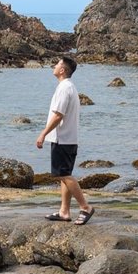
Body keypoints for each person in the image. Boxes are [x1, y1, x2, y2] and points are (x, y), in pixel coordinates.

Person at [36, 55, 95, 225]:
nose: (54, 66)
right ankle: (64, 211)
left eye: (57, 64)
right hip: (68, 138)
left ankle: (85, 207)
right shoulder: (70, 87)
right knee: (64, 175)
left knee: (64, 175)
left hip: (62, 139)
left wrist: (43, 134)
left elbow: (58, 115)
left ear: (62, 70)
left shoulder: (64, 88)